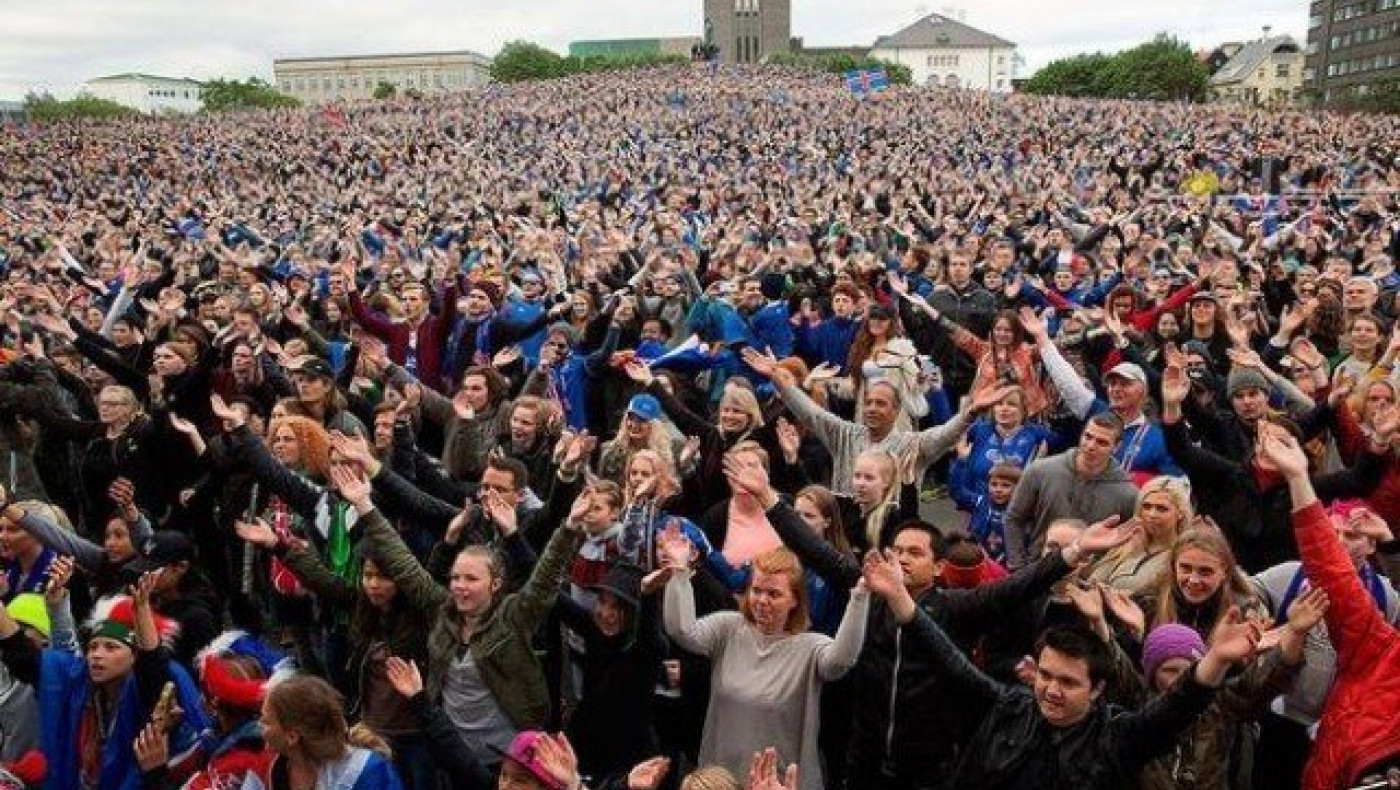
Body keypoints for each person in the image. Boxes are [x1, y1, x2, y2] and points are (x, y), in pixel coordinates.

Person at [860, 546, 1266, 790]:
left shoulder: (1118, 737)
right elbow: (949, 661)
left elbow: (1177, 707)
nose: (1051, 690)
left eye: (1068, 683)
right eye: (1047, 675)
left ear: (1096, 689)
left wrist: (1214, 660)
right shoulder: (1010, 707)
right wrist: (900, 600)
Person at [659, 529, 869, 790]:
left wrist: (859, 598)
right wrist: (680, 572)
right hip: (720, 779)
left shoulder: (810, 647)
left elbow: (842, 660)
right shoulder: (729, 628)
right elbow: (681, 630)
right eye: (756, 591)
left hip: (778, 782)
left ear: (795, 600)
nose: (762, 601)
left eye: (774, 594)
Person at [1255, 426, 1400, 790]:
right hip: (1291, 727)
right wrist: (1298, 478)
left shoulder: (1387, 598)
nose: (1342, 542)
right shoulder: (1382, 654)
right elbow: (1331, 572)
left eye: (1350, 536)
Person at [1004, 413, 1139, 567]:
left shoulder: (1128, 495)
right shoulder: (1040, 471)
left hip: (1089, 580)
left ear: (1117, 447)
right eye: (1088, 437)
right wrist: (1018, 567)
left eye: (1102, 442)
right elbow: (1014, 519)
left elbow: (1130, 543)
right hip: (1036, 571)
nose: (1091, 446)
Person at [259, 674, 404, 790]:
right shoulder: (280, 770)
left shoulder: (367, 773)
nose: (259, 726)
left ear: (292, 736)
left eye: (266, 722)